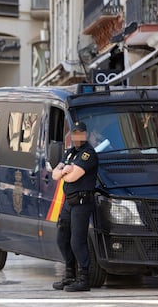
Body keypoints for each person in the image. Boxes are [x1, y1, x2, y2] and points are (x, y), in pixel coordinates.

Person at [51, 122, 98, 292]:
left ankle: (84, 279)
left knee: (77, 242)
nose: (77, 137)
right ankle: (70, 275)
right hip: (68, 202)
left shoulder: (88, 154)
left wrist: (65, 170)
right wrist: (65, 169)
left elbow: (73, 177)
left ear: (85, 134)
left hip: (81, 203)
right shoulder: (70, 153)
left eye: (80, 133)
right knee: (62, 239)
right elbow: (55, 174)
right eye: (74, 133)